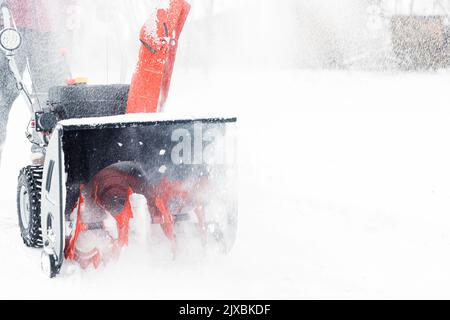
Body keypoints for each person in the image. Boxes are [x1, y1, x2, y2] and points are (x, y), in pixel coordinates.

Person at [0, 0, 73, 163]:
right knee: (4, 90)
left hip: (48, 24)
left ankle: (43, 144)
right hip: (8, 21)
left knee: (48, 92)